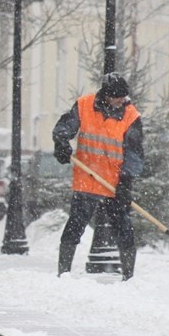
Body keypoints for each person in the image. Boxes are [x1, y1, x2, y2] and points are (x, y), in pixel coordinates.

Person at [52, 72, 144, 280]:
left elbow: (135, 153)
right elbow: (64, 128)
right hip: (87, 179)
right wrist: (61, 143)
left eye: (123, 97)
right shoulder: (84, 106)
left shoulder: (131, 116)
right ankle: (63, 273)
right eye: (117, 97)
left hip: (114, 185)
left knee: (124, 231)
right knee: (75, 227)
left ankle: (129, 278)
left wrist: (126, 179)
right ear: (106, 95)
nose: (121, 101)